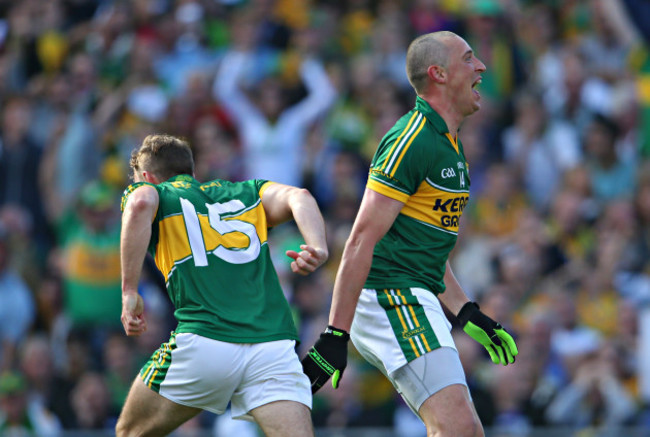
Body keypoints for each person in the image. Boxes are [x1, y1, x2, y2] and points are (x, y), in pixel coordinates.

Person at [301, 31, 518, 437]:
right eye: (469, 59)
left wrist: (467, 311)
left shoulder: (449, 142)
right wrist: (334, 334)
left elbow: (425, 249)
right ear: (438, 74)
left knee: (461, 431)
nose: (482, 67)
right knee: (459, 430)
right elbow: (360, 241)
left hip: (412, 294)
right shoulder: (411, 139)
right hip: (391, 296)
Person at [115, 134, 328, 436]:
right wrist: (317, 246)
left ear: (146, 178)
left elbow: (139, 202)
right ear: (190, 170)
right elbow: (301, 196)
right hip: (272, 347)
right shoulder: (247, 192)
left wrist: (129, 291)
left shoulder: (154, 193)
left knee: (129, 432)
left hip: (205, 342)